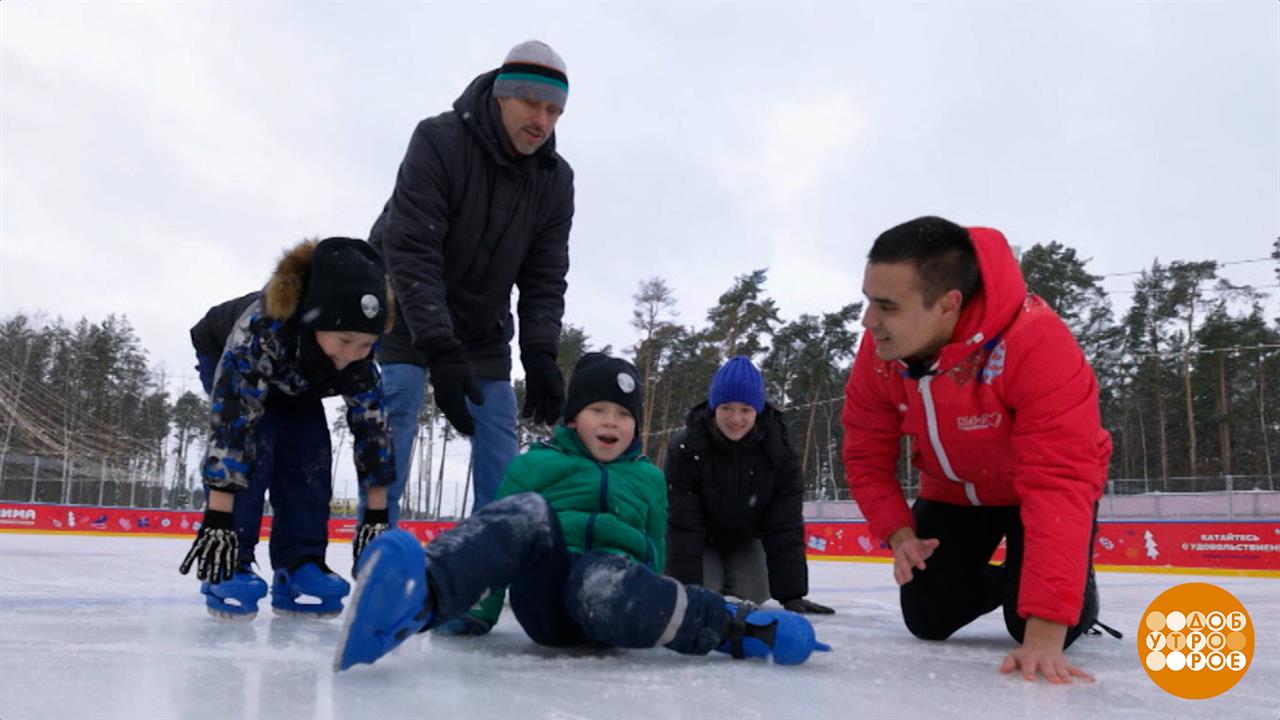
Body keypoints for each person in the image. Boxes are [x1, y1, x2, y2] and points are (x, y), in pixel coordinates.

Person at [334, 353, 831, 671]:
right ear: (574, 417)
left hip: (616, 595)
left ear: (636, 428)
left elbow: (659, 549)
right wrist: (476, 613)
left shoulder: (649, 479)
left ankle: (735, 628)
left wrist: (690, 603)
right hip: (546, 596)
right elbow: (495, 536)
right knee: (526, 512)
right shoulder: (539, 464)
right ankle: (416, 600)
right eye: (599, 411)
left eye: (624, 415)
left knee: (601, 573)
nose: (611, 422)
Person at [841, 216, 1120, 684]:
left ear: (949, 304)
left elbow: (1060, 481)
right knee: (928, 619)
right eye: (868, 300)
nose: (869, 321)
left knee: (1034, 625)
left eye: (886, 306)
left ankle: (1064, 591)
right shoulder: (879, 352)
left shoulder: (1037, 343)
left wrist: (1047, 633)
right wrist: (900, 535)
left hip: (1033, 491)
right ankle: (1014, 580)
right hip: (952, 492)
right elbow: (866, 456)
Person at [363, 39, 574, 525]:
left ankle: (486, 554)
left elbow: (545, 275)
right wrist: (437, 345)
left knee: (498, 430)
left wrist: (541, 352)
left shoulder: (555, 180)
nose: (541, 121)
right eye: (532, 104)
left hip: (482, 326)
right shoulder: (439, 140)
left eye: (554, 111)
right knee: (398, 406)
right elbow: (411, 247)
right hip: (405, 307)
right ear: (503, 97)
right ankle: (376, 545)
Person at [180, 237, 398, 620]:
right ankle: (232, 562)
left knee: (310, 453)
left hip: (296, 380)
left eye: (366, 344)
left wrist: (377, 518)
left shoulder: (358, 358)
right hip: (228, 356)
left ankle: (300, 565)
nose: (352, 355)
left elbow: (373, 430)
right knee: (257, 445)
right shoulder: (260, 331)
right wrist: (218, 522)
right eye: (345, 341)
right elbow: (233, 428)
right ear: (318, 319)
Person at [664, 356, 834, 614]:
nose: (735, 418)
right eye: (726, 408)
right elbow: (683, 524)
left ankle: (728, 582)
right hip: (699, 539)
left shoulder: (779, 454)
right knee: (703, 589)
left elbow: (784, 526)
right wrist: (689, 590)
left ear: (758, 410)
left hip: (744, 539)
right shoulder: (687, 448)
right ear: (713, 408)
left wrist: (792, 595)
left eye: (745, 409)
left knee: (752, 591)